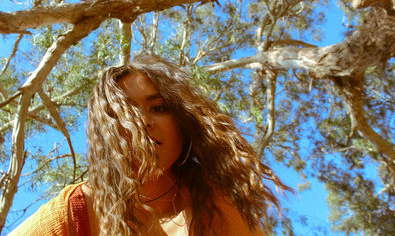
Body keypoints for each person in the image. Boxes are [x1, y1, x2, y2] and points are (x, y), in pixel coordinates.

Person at [10, 54, 289, 236]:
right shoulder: (75, 211)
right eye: (125, 112)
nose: (142, 122)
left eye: (158, 108)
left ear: (184, 122)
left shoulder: (218, 203)